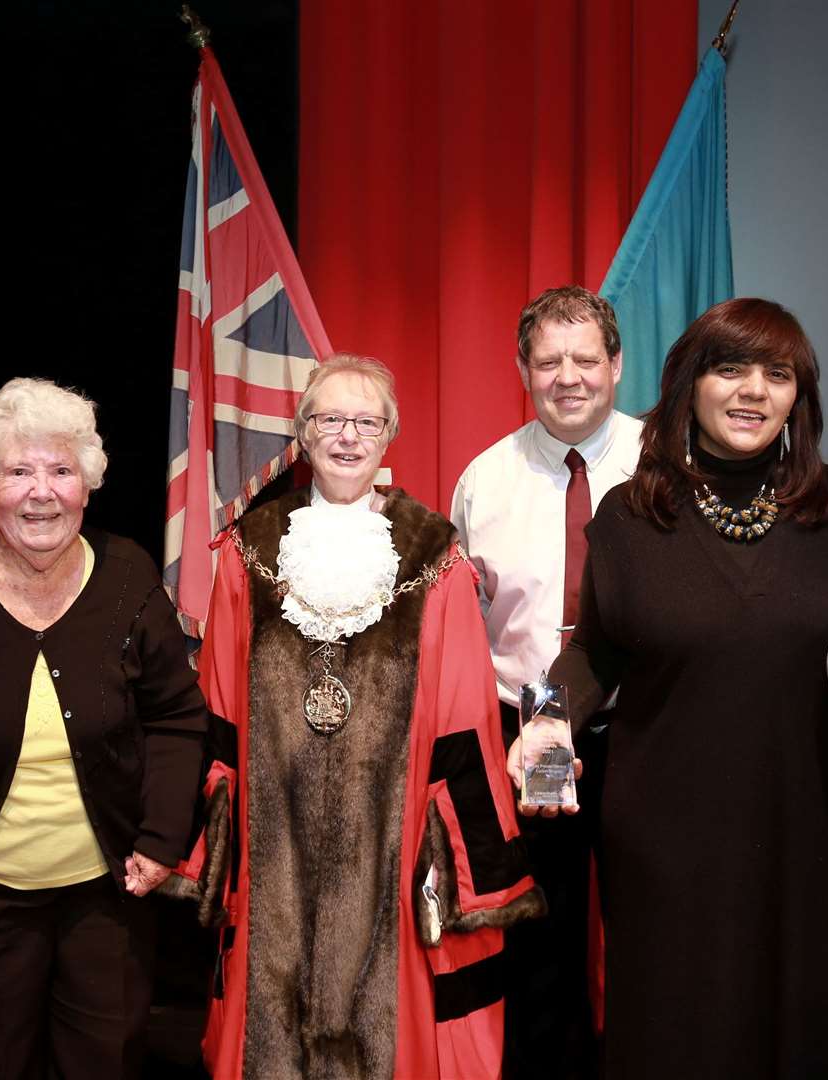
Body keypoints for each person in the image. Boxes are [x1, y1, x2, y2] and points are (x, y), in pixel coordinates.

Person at [537, 298, 828, 1077]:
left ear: (800, 396)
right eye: (730, 368)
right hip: (666, 840)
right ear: (690, 384)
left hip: (813, 834)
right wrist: (545, 719)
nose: (753, 390)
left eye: (777, 372)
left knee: (802, 1033)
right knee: (674, 1034)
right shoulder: (629, 516)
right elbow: (593, 651)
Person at [175, 354, 542, 1079]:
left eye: (365, 422)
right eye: (329, 420)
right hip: (272, 829)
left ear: (388, 437)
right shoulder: (248, 551)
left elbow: (465, 710)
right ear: (303, 435)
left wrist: (449, 849)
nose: (347, 436)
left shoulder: (432, 554)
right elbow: (218, 702)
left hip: (392, 829)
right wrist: (215, 838)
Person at [0, 377, 207, 1080]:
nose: (42, 491)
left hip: (108, 892)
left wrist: (161, 839)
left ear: (88, 485)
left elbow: (176, 717)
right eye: (17, 470)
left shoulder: (127, 573)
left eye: (61, 470)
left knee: (104, 1062)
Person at [449, 285, 642, 1076]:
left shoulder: (666, 462)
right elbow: (460, 622)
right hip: (526, 727)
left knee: (648, 927)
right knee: (539, 931)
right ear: (523, 369)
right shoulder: (483, 480)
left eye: (585, 359)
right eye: (548, 360)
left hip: (642, 728)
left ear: (616, 366)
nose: (568, 376)